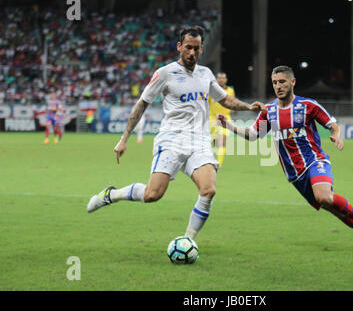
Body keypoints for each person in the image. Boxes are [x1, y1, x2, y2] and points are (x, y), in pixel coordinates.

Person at [86, 26, 265, 242]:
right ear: (179, 47)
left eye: (196, 49)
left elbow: (224, 99)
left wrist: (248, 107)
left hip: (198, 142)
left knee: (208, 190)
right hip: (171, 141)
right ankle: (112, 194)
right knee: (153, 195)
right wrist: (124, 139)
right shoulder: (165, 73)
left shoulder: (206, 74)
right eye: (188, 48)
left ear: (201, 49)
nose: (192, 53)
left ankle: (188, 240)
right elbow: (142, 104)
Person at [217, 66, 353, 250]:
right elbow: (254, 135)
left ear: (292, 82)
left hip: (315, 161)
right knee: (332, 208)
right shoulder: (269, 111)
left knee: (324, 198)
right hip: (294, 174)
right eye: (275, 83)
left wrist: (336, 134)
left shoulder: (308, 106)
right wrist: (228, 125)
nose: (278, 86)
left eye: (282, 82)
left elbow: (332, 124)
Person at [209, 72, 235, 168]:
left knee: (222, 141)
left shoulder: (230, 91)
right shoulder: (211, 91)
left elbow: (232, 102)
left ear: (226, 80)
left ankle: (218, 165)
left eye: (223, 78)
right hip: (212, 119)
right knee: (215, 143)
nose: (221, 80)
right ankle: (210, 160)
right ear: (216, 79)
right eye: (219, 78)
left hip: (225, 119)